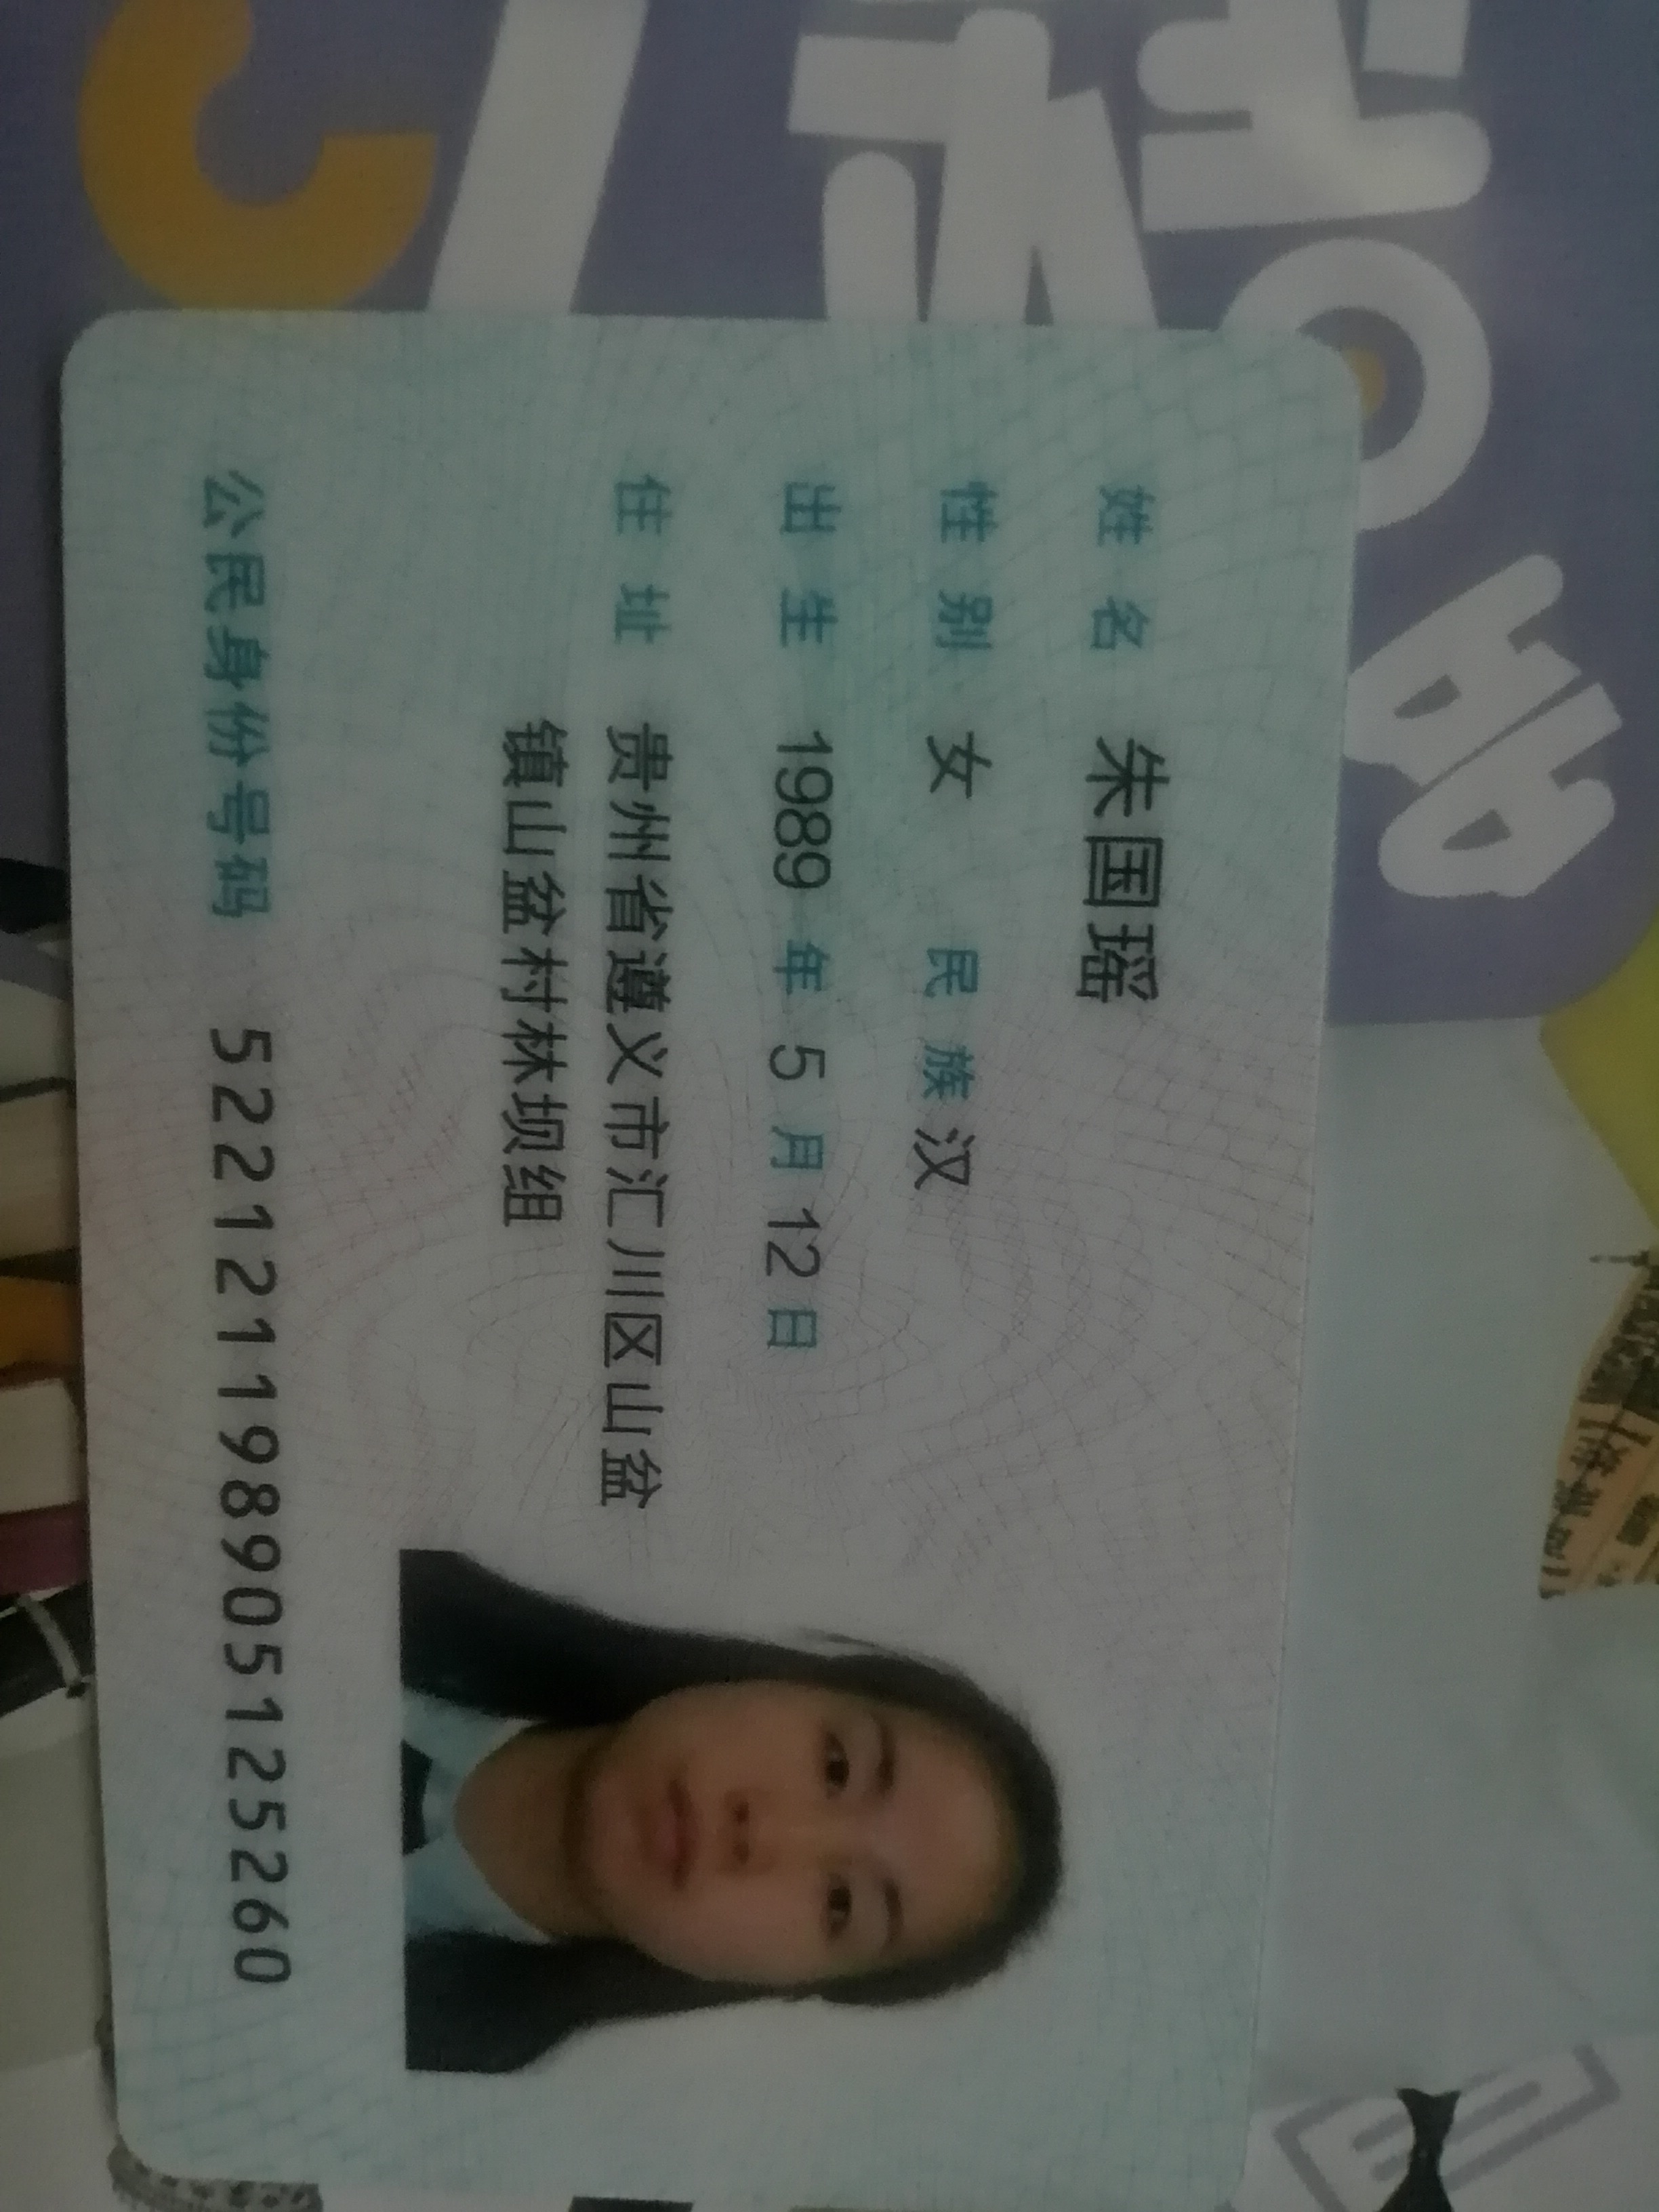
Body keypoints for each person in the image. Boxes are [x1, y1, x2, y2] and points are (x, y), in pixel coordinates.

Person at [401, 1549, 1063, 2072]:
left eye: (840, 1905)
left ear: (784, 1983)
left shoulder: (441, 2084)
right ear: (786, 1680)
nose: (765, 1831)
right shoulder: (404, 1577)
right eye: (836, 1767)